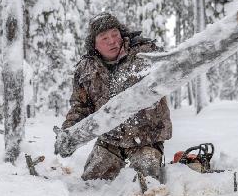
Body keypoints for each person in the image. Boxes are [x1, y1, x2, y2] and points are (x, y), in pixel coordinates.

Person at [60, 13, 172, 181]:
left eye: (115, 34)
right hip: (110, 139)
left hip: (146, 138)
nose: (112, 41)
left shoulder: (145, 52)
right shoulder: (86, 69)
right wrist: (69, 134)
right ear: (94, 44)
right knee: (91, 184)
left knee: (147, 184)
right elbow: (80, 107)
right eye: (104, 38)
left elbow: (169, 74)